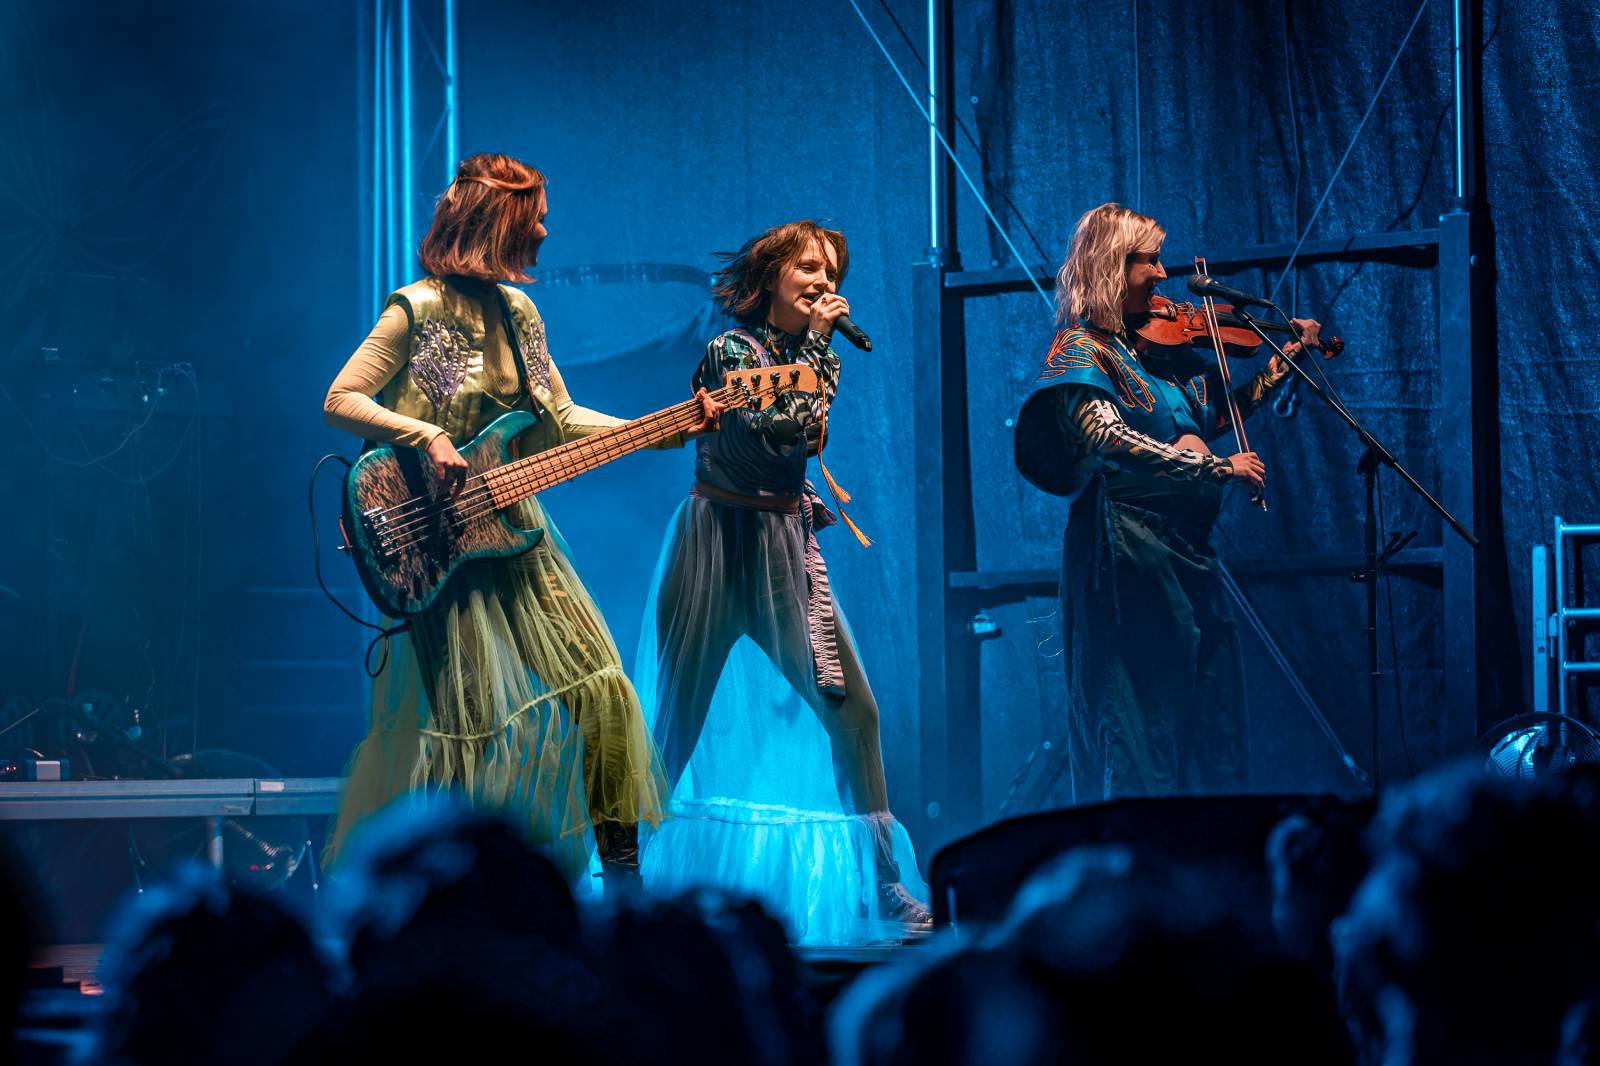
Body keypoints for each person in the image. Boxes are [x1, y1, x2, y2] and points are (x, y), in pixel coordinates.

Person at [322, 152, 718, 889]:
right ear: (498, 218)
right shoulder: (415, 307)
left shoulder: (519, 312)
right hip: (435, 544)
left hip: (516, 531)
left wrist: (666, 427)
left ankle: (622, 885)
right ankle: (442, 894)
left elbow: (558, 419)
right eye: (535, 210)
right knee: (462, 731)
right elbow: (340, 399)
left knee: (604, 693)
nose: (545, 225)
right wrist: (426, 435)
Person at [636, 220, 930, 934]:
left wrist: (817, 353)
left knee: (854, 712)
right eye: (810, 269)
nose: (826, 284)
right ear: (772, 277)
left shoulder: (809, 353)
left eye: (834, 274)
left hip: (780, 545)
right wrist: (819, 350)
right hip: (716, 545)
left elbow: (805, 430)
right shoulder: (727, 351)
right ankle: (621, 876)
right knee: (672, 728)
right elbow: (776, 430)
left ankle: (882, 881)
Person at [1013, 202, 1323, 803]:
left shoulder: (1162, 361)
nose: (1162, 274)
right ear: (1108, 266)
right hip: (1125, 552)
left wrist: (1289, 359)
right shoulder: (1081, 348)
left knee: (1212, 721)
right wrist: (1216, 467)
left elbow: (1223, 410)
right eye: (1147, 260)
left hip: (1185, 555)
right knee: (1138, 726)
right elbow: (1107, 438)